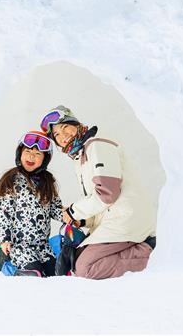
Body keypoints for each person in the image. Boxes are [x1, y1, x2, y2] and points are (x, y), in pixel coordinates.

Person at [40, 105, 157, 280]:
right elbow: (100, 204)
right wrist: (81, 220)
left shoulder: (97, 144)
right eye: (56, 135)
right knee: (77, 259)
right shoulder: (81, 156)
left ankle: (150, 253)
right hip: (115, 220)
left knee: (85, 268)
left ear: (77, 125)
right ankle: (136, 250)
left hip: (127, 219)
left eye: (65, 127)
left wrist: (72, 211)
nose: (63, 136)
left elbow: (107, 193)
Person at [0, 130, 64, 277]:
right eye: (27, 151)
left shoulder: (47, 182)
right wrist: (5, 240)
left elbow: (55, 209)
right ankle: (2, 259)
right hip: (20, 246)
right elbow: (5, 213)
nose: (31, 156)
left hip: (43, 247)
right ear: (20, 153)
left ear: (45, 159)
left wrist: (71, 216)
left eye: (38, 154)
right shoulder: (12, 180)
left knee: (56, 276)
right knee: (34, 275)